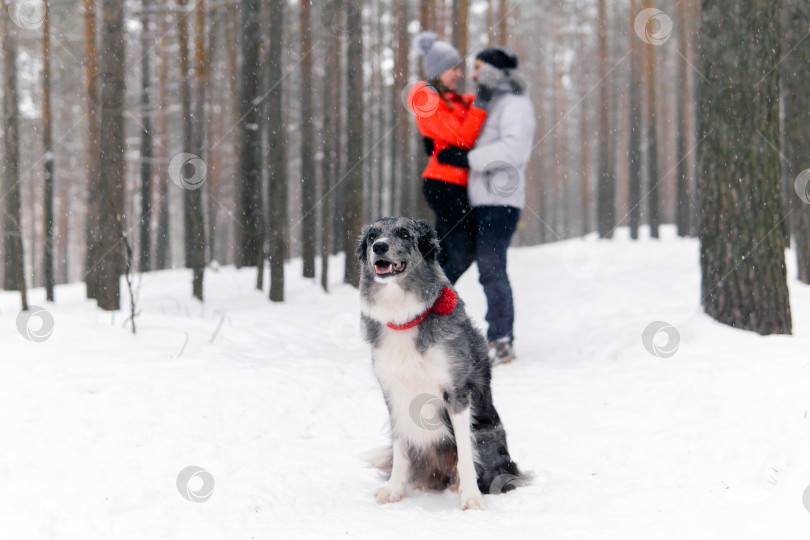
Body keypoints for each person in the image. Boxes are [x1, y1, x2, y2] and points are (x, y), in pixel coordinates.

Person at [436, 47, 535, 365]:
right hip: (473, 199)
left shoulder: (516, 105)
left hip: (501, 201)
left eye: (479, 67)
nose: (474, 74)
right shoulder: (485, 102)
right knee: (452, 261)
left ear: (495, 70)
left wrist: (468, 159)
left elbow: (514, 149)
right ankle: (428, 329)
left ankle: (502, 339)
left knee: (491, 266)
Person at [408, 32, 502, 284]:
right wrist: (482, 102)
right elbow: (462, 137)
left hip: (455, 186)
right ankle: (433, 303)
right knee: (462, 251)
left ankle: (420, 300)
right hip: (442, 185)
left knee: (442, 253)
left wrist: (495, 91)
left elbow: (475, 109)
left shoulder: (452, 100)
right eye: (454, 68)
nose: (460, 74)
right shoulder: (425, 98)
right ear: (438, 70)